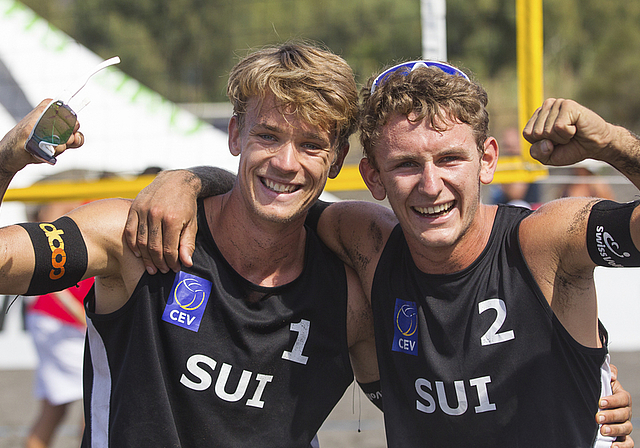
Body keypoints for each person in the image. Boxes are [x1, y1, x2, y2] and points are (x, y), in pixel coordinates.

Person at [128, 61, 637, 446]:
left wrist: (613, 144)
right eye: (406, 164)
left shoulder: (545, 243)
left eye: (450, 158)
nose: (430, 185)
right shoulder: (367, 241)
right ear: (372, 177)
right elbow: (274, 195)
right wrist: (187, 181)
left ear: (486, 161)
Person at [0, 42, 379, 447]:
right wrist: (7, 160)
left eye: (310, 145)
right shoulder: (133, 237)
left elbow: (430, 414)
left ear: (338, 159)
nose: (286, 162)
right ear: (236, 135)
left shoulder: (350, 301)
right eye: (268, 136)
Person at [24, 199, 92, 448]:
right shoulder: (83, 199)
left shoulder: (91, 199)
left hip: (61, 319)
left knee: (56, 409)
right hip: (62, 319)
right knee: (95, 405)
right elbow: (45, 236)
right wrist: (76, 310)